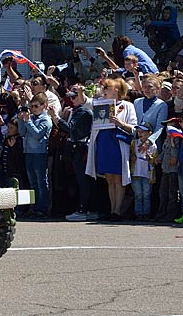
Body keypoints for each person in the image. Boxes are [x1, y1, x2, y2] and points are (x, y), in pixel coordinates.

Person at [85, 78, 138, 220]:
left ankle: (118, 210)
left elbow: (133, 127)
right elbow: (86, 102)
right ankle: (112, 208)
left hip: (117, 142)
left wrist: (120, 123)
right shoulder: (100, 103)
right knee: (109, 178)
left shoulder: (127, 105)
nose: (104, 90)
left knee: (118, 178)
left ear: (116, 90)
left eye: (108, 88)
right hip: (103, 142)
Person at [56, 88, 96, 221]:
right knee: (80, 180)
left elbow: (69, 128)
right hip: (77, 147)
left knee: (83, 180)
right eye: (70, 98)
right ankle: (86, 208)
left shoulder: (84, 111)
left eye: (74, 97)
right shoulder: (77, 110)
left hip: (81, 148)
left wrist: (56, 118)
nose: (71, 100)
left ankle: (84, 209)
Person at [18, 93, 52, 218]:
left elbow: (38, 135)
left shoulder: (46, 119)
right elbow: (22, 133)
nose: (33, 109)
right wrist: (21, 120)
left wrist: (28, 121)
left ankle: (42, 208)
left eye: (36, 106)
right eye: (32, 106)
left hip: (40, 153)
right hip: (28, 152)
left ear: (44, 106)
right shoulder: (31, 118)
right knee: (33, 183)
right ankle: (34, 207)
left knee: (41, 182)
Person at [131, 123, 155, 220]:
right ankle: (138, 213)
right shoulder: (134, 143)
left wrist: (151, 158)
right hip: (136, 172)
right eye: (139, 131)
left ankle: (146, 213)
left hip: (147, 174)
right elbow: (130, 155)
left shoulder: (153, 146)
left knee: (146, 194)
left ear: (149, 133)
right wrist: (132, 157)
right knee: (138, 194)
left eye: (143, 132)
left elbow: (155, 160)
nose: (140, 134)